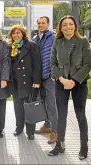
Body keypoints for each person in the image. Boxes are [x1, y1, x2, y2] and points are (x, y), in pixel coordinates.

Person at [48, 15, 91, 160]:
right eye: (64, 25)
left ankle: (84, 146)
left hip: (79, 82)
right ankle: (59, 144)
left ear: (75, 26)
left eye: (70, 24)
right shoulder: (57, 42)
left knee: (80, 114)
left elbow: (88, 64)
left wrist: (73, 80)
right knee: (61, 114)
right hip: (61, 82)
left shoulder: (83, 41)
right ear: (60, 28)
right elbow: (52, 63)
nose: (68, 27)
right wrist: (62, 79)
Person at [8, 25, 42, 140]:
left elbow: (37, 64)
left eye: (18, 33)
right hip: (15, 82)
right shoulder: (11, 47)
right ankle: (19, 127)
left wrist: (37, 81)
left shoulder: (32, 46)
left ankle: (30, 131)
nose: (16, 35)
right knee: (17, 107)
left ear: (23, 34)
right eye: (13, 33)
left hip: (28, 82)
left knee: (29, 107)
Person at [32, 16, 58, 144]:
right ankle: (47, 125)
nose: (41, 25)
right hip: (39, 77)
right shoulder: (35, 39)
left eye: (43, 23)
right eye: (39, 23)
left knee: (52, 105)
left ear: (48, 24)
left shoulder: (53, 37)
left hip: (50, 77)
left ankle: (55, 131)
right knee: (43, 103)